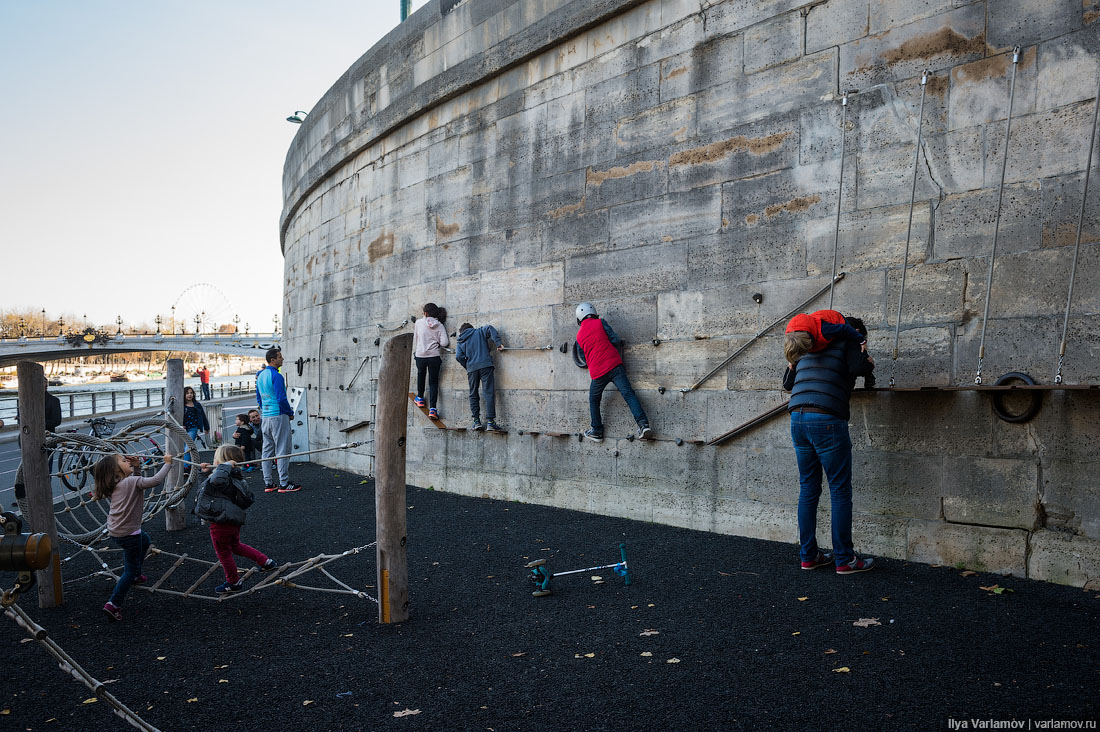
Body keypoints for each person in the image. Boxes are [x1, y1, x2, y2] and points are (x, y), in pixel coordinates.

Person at [783, 320, 876, 575]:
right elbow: (858, 367)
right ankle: (845, 560)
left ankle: (809, 556)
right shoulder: (848, 341)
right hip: (826, 419)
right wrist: (867, 358)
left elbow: (788, 384)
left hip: (797, 418)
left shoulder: (809, 344)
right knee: (839, 490)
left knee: (809, 489)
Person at [94, 451, 174, 621]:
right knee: (128, 570)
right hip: (129, 533)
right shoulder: (129, 482)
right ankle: (113, 604)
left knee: (145, 541)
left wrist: (137, 467)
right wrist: (167, 463)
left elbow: (138, 485)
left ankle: (136, 575)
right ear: (116, 471)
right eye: (124, 461)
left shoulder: (121, 483)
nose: (128, 461)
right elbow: (155, 481)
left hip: (117, 531)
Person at [193, 445, 277, 594]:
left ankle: (233, 582)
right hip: (230, 520)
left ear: (226, 463)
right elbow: (205, 490)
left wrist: (224, 466)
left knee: (223, 553)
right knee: (236, 546)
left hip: (220, 522)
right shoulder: (232, 478)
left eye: (216, 459)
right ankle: (266, 561)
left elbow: (217, 481)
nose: (214, 462)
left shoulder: (224, 478)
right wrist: (203, 474)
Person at [574, 302, 652, 442]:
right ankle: (643, 425)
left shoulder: (579, 337)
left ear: (579, 319)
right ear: (593, 313)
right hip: (615, 366)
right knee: (628, 394)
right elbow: (615, 339)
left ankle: (597, 431)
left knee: (594, 400)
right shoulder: (600, 323)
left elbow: (584, 358)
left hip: (598, 373)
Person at [256, 348, 300, 493]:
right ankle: (284, 483)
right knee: (282, 449)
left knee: (267, 450)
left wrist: (265, 410)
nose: (282, 359)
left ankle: (268, 483)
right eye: (280, 357)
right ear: (273, 359)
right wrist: (290, 412)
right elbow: (281, 398)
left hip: (266, 417)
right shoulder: (277, 376)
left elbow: (259, 398)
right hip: (278, 415)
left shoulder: (260, 375)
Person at [455, 322, 504, 432]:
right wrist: (498, 343)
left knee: (473, 393)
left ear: (461, 332)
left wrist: (467, 365)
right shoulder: (479, 331)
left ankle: (476, 421)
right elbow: (490, 328)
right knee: (488, 392)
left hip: (472, 369)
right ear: (471, 328)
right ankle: (490, 422)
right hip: (485, 365)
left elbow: (458, 356)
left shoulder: (460, 340)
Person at [784, 309, 867, 365]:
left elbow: (845, 328)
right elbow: (794, 348)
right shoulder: (791, 335)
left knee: (853, 351)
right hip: (814, 325)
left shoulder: (825, 330)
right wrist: (792, 361)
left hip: (837, 321)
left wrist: (862, 341)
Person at [412, 303, 449, 420]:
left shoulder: (418, 323)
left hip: (420, 355)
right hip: (434, 357)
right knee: (433, 382)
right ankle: (433, 409)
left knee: (421, 375)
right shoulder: (440, 325)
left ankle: (420, 398)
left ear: (425, 313)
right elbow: (444, 343)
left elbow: (415, 339)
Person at [182, 386, 210, 463]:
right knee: (184, 448)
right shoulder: (181, 405)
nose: (189, 395)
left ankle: (186, 466)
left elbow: (203, 416)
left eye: (191, 393)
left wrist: (206, 427)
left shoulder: (197, 404)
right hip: (183, 429)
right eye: (187, 393)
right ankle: (190, 463)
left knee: (188, 447)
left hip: (193, 428)